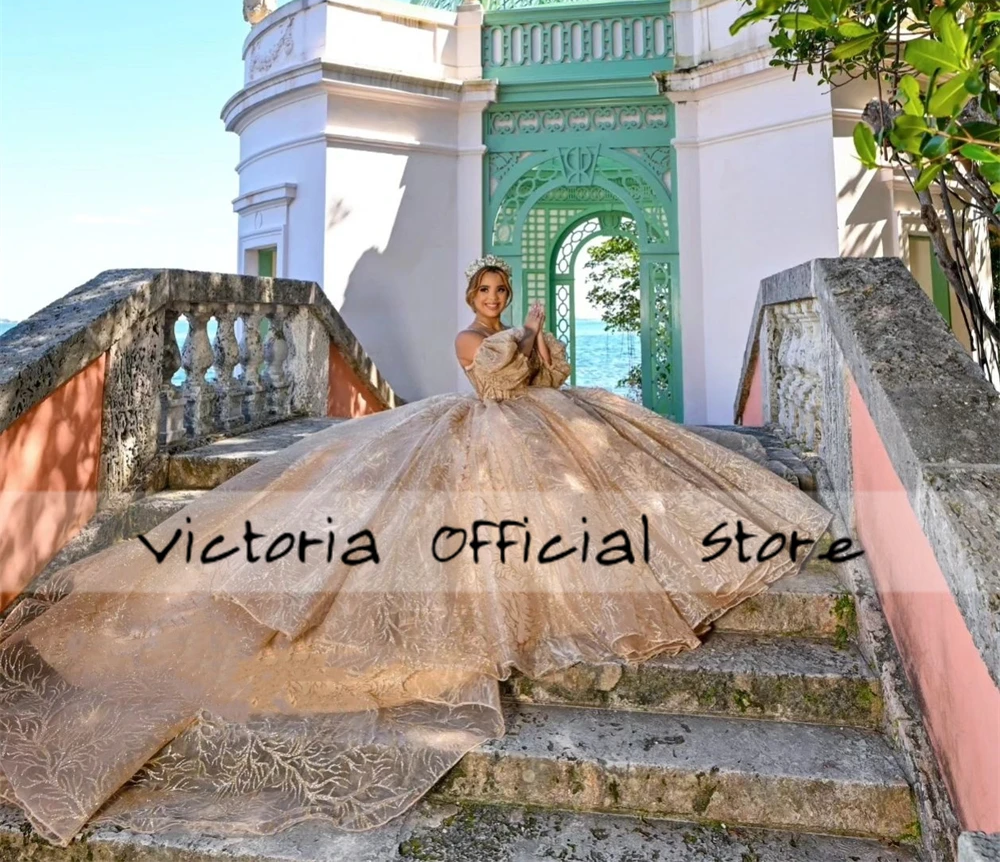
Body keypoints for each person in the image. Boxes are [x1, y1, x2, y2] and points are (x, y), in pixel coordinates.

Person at [0, 257, 832, 847]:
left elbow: (548, 379)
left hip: (540, 432)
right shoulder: (472, 339)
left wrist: (546, 343)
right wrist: (527, 340)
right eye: (486, 289)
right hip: (482, 434)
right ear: (470, 295)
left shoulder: (518, 332)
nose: (495, 299)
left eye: (503, 291)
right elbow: (494, 384)